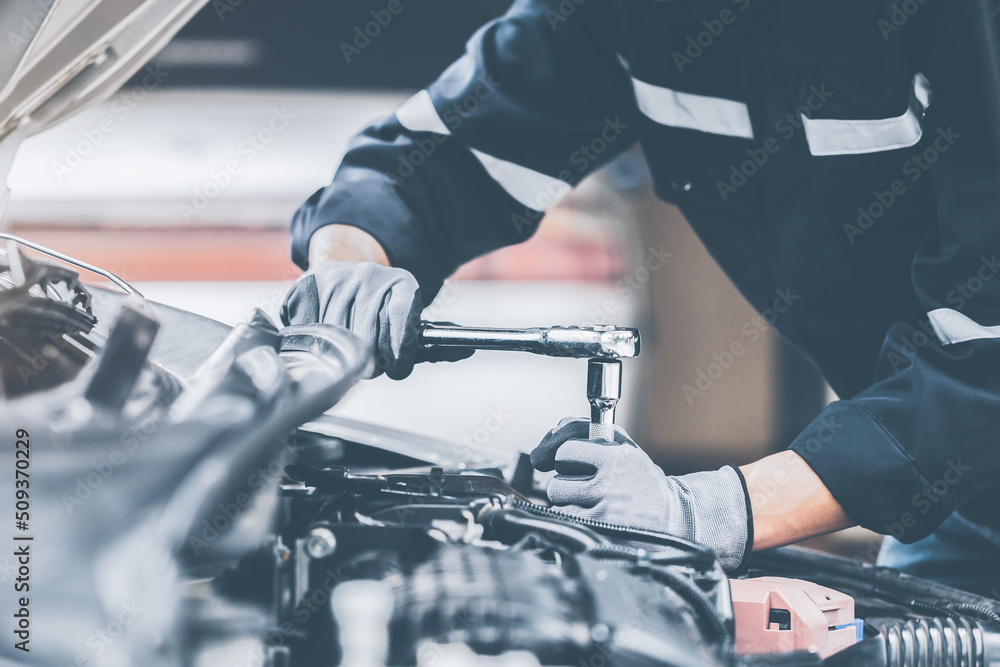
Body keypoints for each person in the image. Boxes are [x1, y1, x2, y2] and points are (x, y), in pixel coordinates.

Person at [280, 0, 1000, 592]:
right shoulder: (626, 16)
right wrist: (352, 260)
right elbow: (434, 160)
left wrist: (707, 512)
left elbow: (982, 368)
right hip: (958, 506)